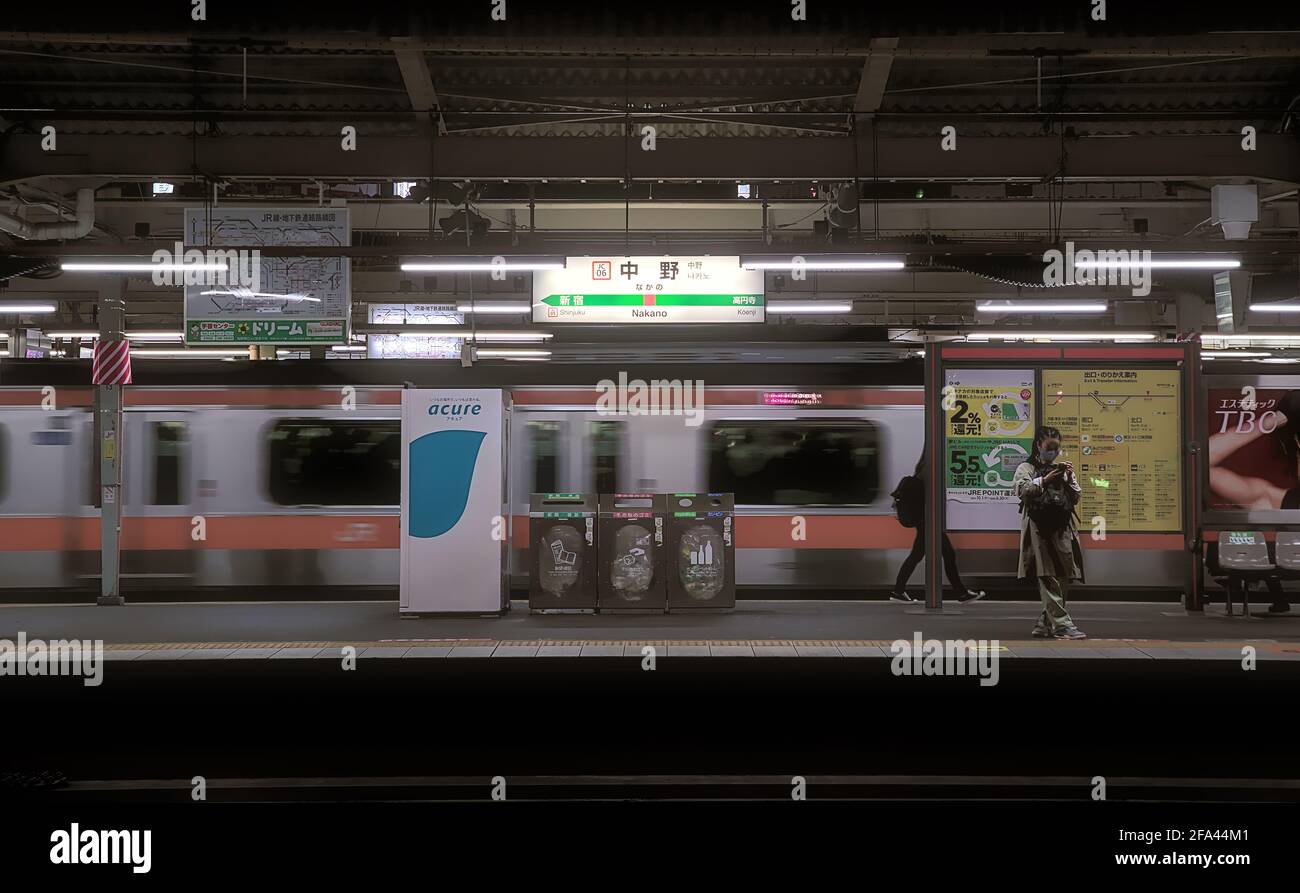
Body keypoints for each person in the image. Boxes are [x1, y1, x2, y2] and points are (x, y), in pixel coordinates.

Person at [1206, 391, 1300, 614]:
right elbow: (1203, 462)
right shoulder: (1271, 499)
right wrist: (1271, 421)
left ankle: (1278, 599)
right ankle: (1278, 598)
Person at [1013, 426, 1087, 639]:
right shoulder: (1026, 468)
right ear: (1038, 445)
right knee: (1047, 575)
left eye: (1057, 448)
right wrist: (1044, 481)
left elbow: (1075, 497)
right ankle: (1062, 625)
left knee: (1063, 574)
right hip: (1039, 529)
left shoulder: (1061, 469)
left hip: (1062, 528)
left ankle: (1045, 622)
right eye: (1049, 447)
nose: (1053, 452)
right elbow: (1022, 491)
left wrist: (1068, 477)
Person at [890, 454, 987, 604]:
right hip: (928, 522)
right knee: (948, 555)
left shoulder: (922, 468)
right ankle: (961, 593)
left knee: (916, 556)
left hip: (925, 522)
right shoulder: (931, 469)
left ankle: (898, 591)